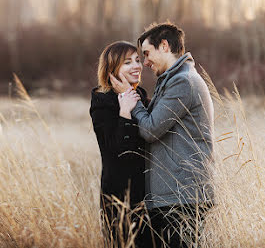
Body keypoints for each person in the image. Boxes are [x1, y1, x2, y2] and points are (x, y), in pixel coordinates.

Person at [111, 22, 214, 247]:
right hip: (174, 197)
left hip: (183, 198)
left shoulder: (182, 81)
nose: (145, 62)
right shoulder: (171, 81)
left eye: (147, 54)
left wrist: (130, 98)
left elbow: (150, 129)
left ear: (165, 46)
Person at [89, 41, 150, 247]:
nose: (136, 66)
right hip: (118, 197)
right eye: (127, 62)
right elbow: (118, 151)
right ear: (112, 70)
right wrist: (125, 112)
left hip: (147, 196)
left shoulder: (141, 95)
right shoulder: (102, 102)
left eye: (137, 60)